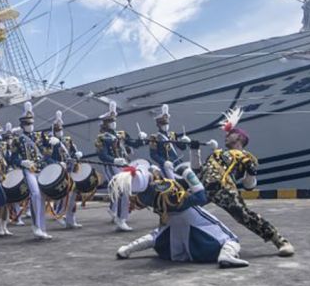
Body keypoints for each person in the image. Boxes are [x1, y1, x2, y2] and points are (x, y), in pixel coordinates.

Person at [195, 107, 295, 257]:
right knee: (178, 206)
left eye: (230, 134)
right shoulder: (216, 154)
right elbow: (197, 170)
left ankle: (280, 240)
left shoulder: (245, 156)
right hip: (203, 188)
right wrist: (193, 150)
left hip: (224, 189)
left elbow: (249, 186)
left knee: (243, 215)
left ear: (240, 138)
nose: (226, 137)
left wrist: (251, 172)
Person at [113, 160, 249, 268]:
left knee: (156, 235)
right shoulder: (165, 187)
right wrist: (189, 175)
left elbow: (150, 195)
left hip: (170, 222)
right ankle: (226, 255)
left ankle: (127, 249)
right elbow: (200, 198)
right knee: (230, 238)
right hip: (191, 217)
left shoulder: (144, 196)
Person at [9, 101, 51, 240]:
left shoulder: (39, 136)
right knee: (35, 194)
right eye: (27, 124)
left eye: (31, 123)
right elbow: (13, 158)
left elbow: (47, 153)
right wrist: (21, 162)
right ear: (22, 125)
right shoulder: (18, 140)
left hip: (40, 169)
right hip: (29, 170)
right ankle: (36, 226)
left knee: (42, 197)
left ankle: (42, 228)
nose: (30, 126)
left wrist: (52, 145)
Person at [95, 100, 133, 231]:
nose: (113, 123)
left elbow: (132, 143)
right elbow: (102, 155)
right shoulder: (101, 137)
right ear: (105, 123)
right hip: (111, 166)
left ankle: (114, 211)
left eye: (114, 120)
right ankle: (121, 218)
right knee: (122, 189)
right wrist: (114, 160)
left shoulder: (120, 134)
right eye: (111, 121)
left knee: (122, 189)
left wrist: (140, 138)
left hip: (123, 164)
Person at [45, 111, 84, 229]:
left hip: (70, 170)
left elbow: (72, 151)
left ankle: (71, 219)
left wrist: (77, 154)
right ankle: (59, 214)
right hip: (59, 172)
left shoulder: (67, 140)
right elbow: (46, 158)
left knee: (73, 196)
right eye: (57, 129)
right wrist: (57, 163)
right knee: (63, 195)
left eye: (60, 129)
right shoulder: (51, 142)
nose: (59, 131)